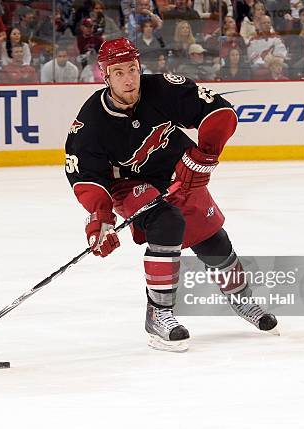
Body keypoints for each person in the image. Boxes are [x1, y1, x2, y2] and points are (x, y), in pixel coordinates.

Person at [64, 38, 278, 352]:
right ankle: (159, 313)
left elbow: (220, 112)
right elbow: (85, 177)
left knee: (214, 242)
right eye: (119, 72)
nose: (129, 78)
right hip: (127, 183)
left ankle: (243, 301)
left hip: (177, 174)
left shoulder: (163, 88)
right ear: (105, 76)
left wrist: (205, 155)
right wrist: (101, 219)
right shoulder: (90, 123)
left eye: (133, 69)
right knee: (167, 222)